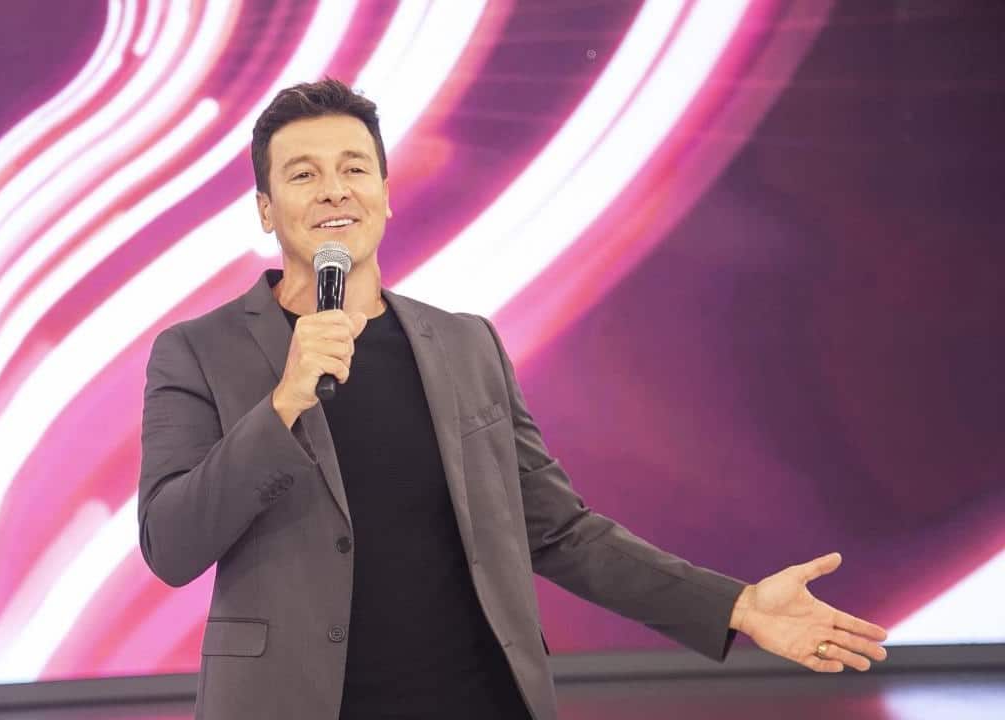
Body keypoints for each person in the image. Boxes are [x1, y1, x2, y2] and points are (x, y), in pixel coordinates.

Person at [137, 78, 889, 720]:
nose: (335, 189)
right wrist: (283, 405)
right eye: (303, 174)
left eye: (354, 168)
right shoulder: (198, 351)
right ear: (266, 208)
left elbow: (559, 530)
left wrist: (736, 606)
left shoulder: (465, 345)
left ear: (386, 195)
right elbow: (171, 544)